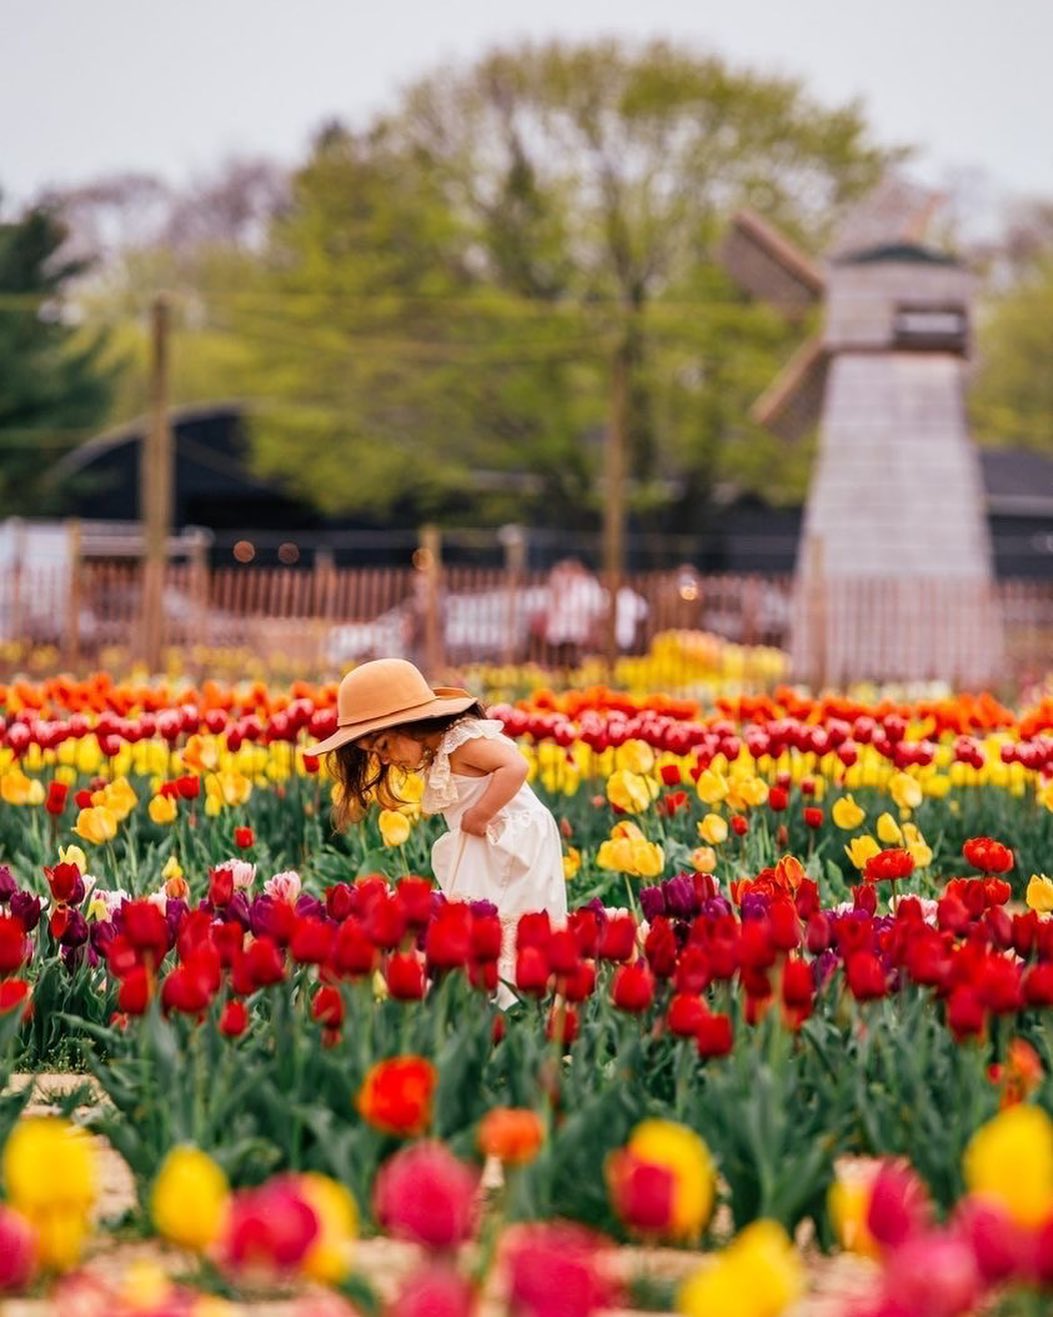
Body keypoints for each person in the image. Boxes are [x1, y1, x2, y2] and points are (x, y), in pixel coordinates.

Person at [312, 658, 567, 1002]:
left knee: (511, 919)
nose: (384, 761)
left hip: (510, 840)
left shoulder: (461, 742)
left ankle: (516, 996)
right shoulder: (439, 750)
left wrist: (481, 813)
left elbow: (515, 765)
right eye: (375, 753)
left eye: (384, 746)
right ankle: (490, 997)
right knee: (478, 921)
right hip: (484, 840)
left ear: (411, 722)